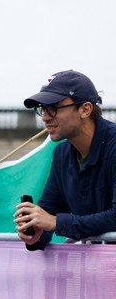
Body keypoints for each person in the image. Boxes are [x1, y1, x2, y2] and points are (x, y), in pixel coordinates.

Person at [16, 70, 116, 252]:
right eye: (43, 109)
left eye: (53, 107)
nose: (45, 117)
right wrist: (34, 236)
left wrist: (55, 222)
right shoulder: (61, 154)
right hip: (99, 272)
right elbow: (47, 214)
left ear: (85, 110)